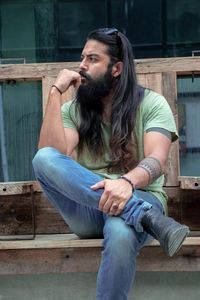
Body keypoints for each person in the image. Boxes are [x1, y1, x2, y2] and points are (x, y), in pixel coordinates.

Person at [32, 28, 189, 300]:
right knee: (42, 157)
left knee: (119, 230)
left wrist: (126, 183)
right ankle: (140, 215)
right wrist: (56, 92)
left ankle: (135, 210)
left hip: (143, 195)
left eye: (92, 59)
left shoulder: (152, 103)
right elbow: (52, 154)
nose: (82, 66)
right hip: (89, 208)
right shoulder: (74, 110)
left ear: (116, 68)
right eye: (82, 58)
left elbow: (157, 160)